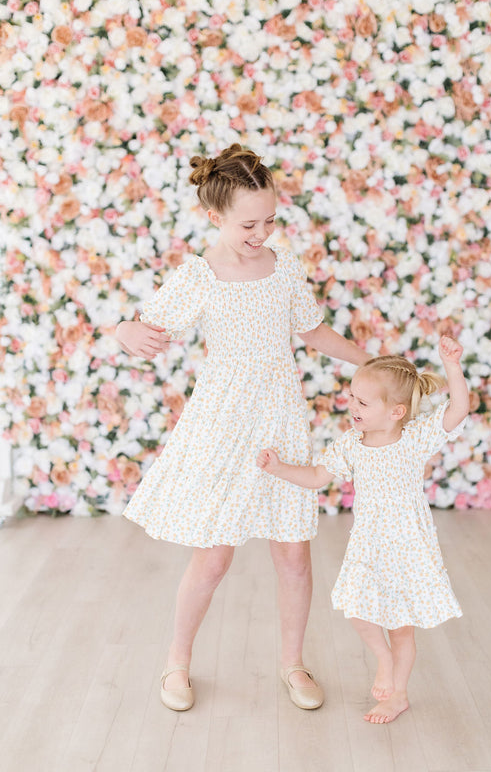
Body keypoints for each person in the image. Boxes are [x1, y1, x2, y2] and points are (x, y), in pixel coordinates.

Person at [115, 144, 371, 712]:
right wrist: (121, 329)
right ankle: (176, 663)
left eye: (271, 220)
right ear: (216, 216)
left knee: (294, 556)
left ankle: (293, 664)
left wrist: (369, 362)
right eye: (249, 223)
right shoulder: (199, 277)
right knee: (213, 558)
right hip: (223, 424)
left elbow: (315, 333)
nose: (261, 232)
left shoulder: (285, 270)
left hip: (280, 422)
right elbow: (141, 329)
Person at [257, 335, 469, 724]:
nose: (351, 405)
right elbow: (319, 476)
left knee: (402, 628)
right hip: (369, 542)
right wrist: (278, 468)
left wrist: (452, 366)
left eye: (362, 402)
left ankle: (398, 694)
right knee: (356, 606)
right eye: (352, 396)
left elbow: (458, 409)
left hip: (407, 543)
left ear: (396, 411)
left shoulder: (415, 438)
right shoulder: (351, 445)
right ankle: (382, 658)